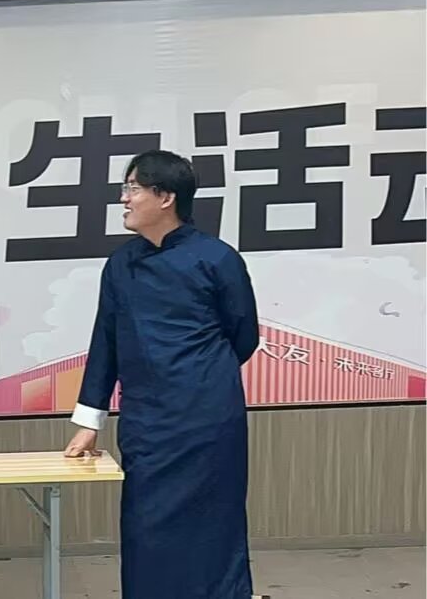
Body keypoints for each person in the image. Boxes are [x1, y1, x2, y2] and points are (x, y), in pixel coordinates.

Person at [63, 150, 260, 598]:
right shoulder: (120, 264)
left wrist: (201, 375)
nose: (124, 199)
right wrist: (90, 421)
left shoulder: (217, 258)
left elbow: (243, 334)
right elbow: (106, 341)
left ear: (165, 197)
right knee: (145, 528)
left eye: (133, 188)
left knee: (215, 524)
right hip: (147, 421)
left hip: (210, 420)